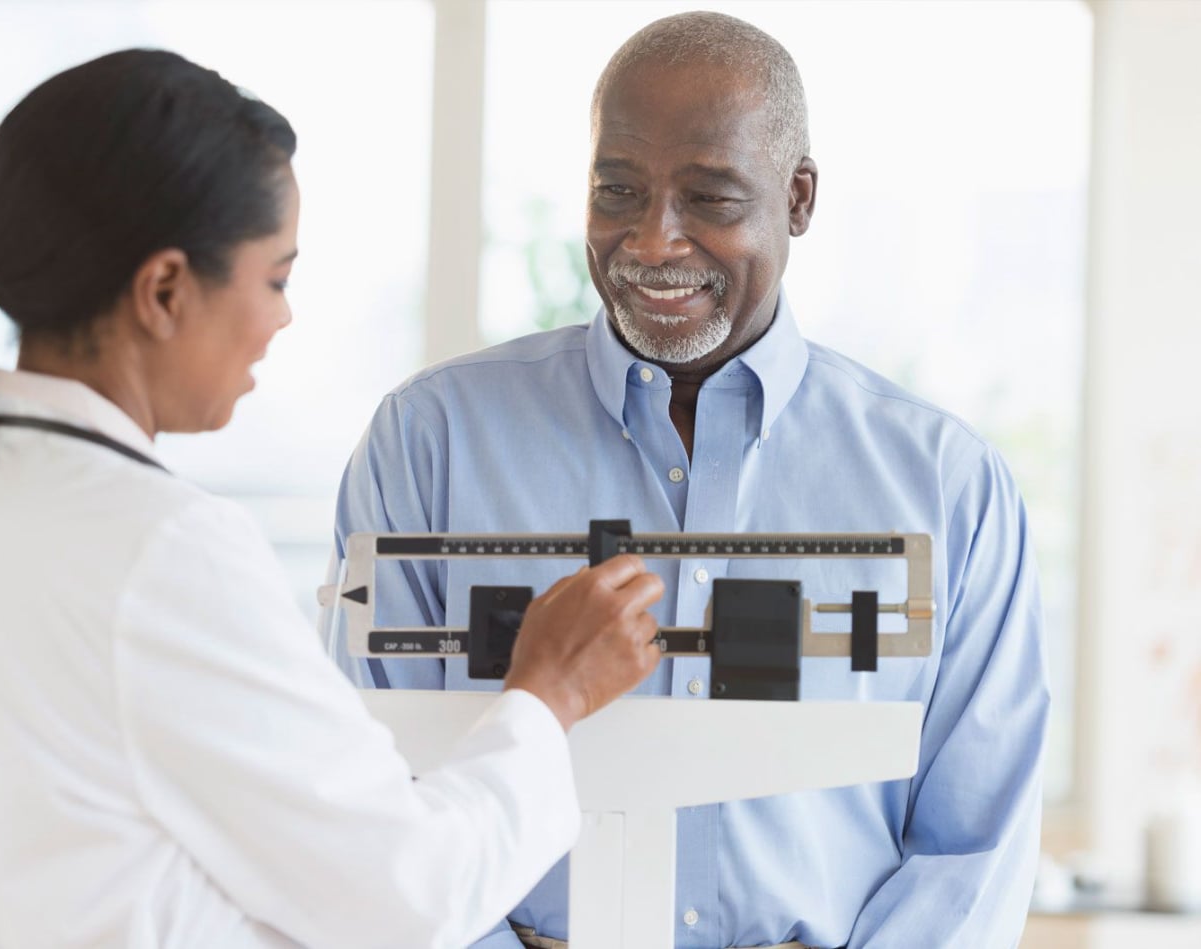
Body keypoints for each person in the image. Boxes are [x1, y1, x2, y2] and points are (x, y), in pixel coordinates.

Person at [0, 49, 667, 949]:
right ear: (162, 289)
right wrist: (547, 694)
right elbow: (406, 899)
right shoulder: (159, 551)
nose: (282, 317)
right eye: (274, 277)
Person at [333, 11, 1050, 949]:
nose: (654, 240)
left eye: (710, 199)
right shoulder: (428, 443)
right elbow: (376, 787)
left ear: (796, 198)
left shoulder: (949, 487)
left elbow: (974, 849)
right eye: (617, 189)